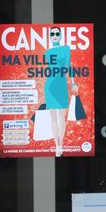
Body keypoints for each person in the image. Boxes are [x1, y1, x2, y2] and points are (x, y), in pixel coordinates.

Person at [44, 26, 77, 156]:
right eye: (52, 33)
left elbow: (69, 66)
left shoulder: (65, 49)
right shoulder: (47, 52)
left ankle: (61, 145)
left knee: (61, 117)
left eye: (57, 33)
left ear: (60, 35)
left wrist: (73, 83)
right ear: (50, 36)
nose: (55, 35)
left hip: (61, 84)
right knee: (53, 118)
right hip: (50, 85)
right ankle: (57, 146)